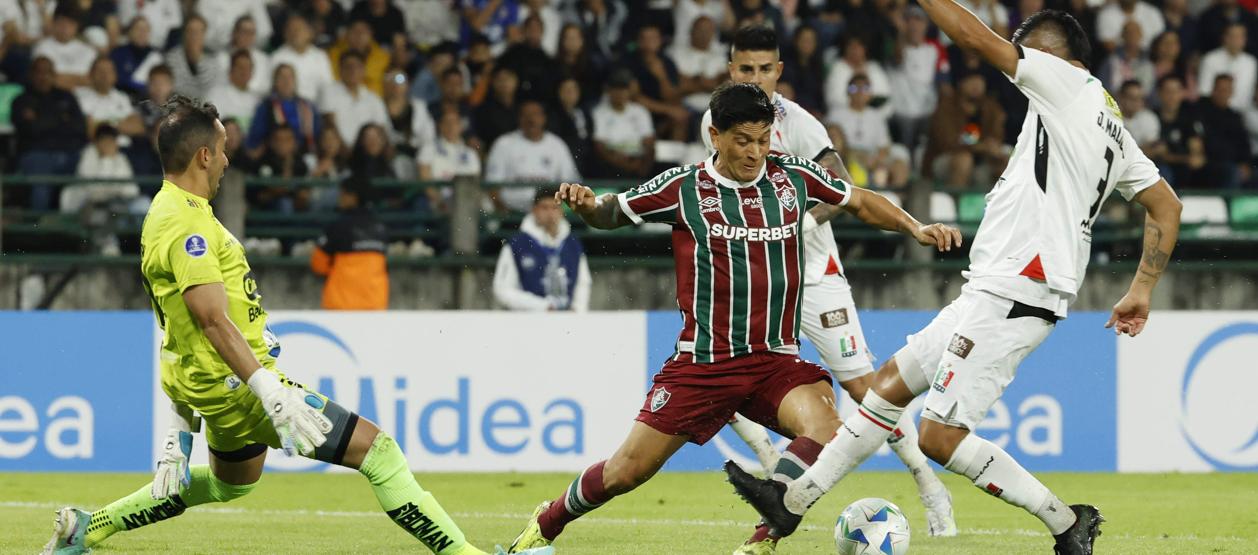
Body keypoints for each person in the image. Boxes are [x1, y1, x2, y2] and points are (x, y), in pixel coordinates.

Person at [724, 10, 1184, 555]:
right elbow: (1167, 205)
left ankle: (1065, 521)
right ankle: (791, 503)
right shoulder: (1111, 124)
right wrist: (1142, 289)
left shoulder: (1067, 83)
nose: (1019, 59)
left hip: (1019, 289)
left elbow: (970, 36)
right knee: (889, 386)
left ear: (1058, 54)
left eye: (1026, 49)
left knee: (939, 437)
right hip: (995, 287)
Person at [41, 95, 553, 555]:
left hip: (212, 383)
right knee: (379, 453)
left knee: (233, 483)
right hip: (238, 386)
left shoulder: (166, 210)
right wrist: (269, 390)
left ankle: (88, 527)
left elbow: (181, 322)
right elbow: (210, 318)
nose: (225, 159)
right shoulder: (188, 224)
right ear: (202, 156)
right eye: (221, 149)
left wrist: (183, 421)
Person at [506, 82, 960, 555]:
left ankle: (761, 540)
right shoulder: (682, 188)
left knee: (827, 426)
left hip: (774, 362)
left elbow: (860, 200)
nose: (755, 152)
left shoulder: (792, 178)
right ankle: (547, 521)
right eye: (743, 140)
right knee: (626, 472)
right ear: (716, 135)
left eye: (763, 140)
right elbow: (610, 213)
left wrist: (915, 226)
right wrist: (587, 206)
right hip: (703, 365)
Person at [697, 25, 956, 551]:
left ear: (779, 71)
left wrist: (795, 226)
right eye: (745, 69)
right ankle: (774, 466)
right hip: (756, 280)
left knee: (865, 390)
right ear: (731, 70)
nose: (756, 78)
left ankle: (929, 486)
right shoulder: (714, 121)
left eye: (764, 69)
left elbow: (842, 190)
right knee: (715, 373)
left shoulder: (799, 123)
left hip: (814, 278)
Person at [493, 187, 591, 312]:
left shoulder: (573, 245)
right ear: (534, 210)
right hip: (528, 321)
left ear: (561, 211)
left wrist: (578, 310)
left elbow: (583, 283)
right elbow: (503, 290)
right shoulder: (516, 245)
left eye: (554, 207)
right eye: (544, 207)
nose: (550, 213)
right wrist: (541, 306)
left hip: (567, 321)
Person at [12, 56, 88, 209]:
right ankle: (40, 228)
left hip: (70, 154)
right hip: (37, 155)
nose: (43, 76)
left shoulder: (66, 96)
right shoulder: (21, 100)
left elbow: (80, 127)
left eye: (48, 72)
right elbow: (30, 130)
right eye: (39, 72)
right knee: (41, 184)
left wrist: (41, 120)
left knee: (88, 176)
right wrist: (61, 119)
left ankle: (75, 229)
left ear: (54, 75)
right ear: (31, 75)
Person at [484, 100, 580, 212]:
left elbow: (571, 182)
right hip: (512, 213)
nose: (531, 120)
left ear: (544, 118)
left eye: (536, 114)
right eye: (526, 115)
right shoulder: (503, 143)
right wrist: (505, 215)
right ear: (519, 119)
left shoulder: (557, 144)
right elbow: (492, 186)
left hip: (549, 213)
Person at [311, 177, 389, 310]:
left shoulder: (338, 226)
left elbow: (318, 265)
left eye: (342, 194)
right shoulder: (380, 227)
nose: (339, 198)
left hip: (342, 306)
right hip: (375, 305)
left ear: (353, 197)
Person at [591, 68, 654, 179]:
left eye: (623, 89)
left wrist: (644, 166)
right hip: (611, 162)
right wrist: (623, 164)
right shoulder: (599, 112)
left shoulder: (640, 111)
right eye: (616, 89)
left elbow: (649, 142)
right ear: (608, 91)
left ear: (629, 91)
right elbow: (599, 147)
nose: (620, 93)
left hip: (638, 160)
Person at [320, 51, 389, 147]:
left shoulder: (374, 99)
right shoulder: (328, 92)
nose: (353, 70)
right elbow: (329, 123)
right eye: (348, 67)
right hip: (340, 150)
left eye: (358, 67)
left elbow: (381, 128)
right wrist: (344, 149)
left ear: (364, 70)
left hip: (366, 152)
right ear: (339, 70)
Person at [1195, 74, 1252, 189]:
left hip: (1233, 163)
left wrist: (1245, 163)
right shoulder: (1200, 110)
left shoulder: (1235, 116)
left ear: (1232, 92)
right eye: (1220, 89)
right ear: (1213, 90)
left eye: (1227, 90)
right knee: (1231, 172)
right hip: (1210, 163)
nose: (1223, 93)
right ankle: (1227, 206)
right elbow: (1208, 142)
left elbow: (1244, 143)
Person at [74, 56, 146, 142]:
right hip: (94, 149)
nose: (105, 75)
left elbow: (138, 128)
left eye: (109, 71)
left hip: (124, 150)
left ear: (115, 75)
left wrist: (103, 124)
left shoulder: (122, 97)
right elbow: (90, 131)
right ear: (91, 74)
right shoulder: (79, 97)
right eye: (100, 71)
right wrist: (120, 124)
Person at [270, 14, 335, 102]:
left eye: (298, 29)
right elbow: (273, 90)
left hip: (316, 107)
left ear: (309, 33)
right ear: (285, 34)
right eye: (291, 30)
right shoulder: (277, 57)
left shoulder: (320, 56)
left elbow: (328, 86)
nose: (295, 33)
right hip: (287, 107)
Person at [32, 6, 96, 89]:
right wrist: (78, 79)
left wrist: (61, 78)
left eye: (70, 24)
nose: (65, 28)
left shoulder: (89, 50)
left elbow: (92, 79)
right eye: (62, 23)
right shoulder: (41, 47)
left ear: (77, 26)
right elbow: (45, 79)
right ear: (53, 24)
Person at [1197, 22, 1256, 110]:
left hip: (1244, 113)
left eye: (1240, 36)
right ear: (1224, 38)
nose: (1236, 40)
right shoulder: (1210, 59)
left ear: (1245, 39)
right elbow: (1204, 91)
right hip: (1214, 111)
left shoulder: (1251, 63)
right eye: (1232, 36)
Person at [166, 14, 221, 98]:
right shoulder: (171, 57)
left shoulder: (213, 60)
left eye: (198, 32)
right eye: (190, 31)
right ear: (184, 34)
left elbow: (207, 90)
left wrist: (197, 60)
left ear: (204, 35)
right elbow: (175, 88)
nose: (194, 36)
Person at [213, 16, 271, 95]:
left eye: (252, 32)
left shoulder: (264, 59)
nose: (248, 36)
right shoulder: (221, 58)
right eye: (244, 31)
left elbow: (266, 87)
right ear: (235, 33)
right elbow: (219, 85)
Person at [208, 50, 263, 132]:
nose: (244, 72)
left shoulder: (258, 99)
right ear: (230, 70)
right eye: (240, 67)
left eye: (248, 68)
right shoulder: (216, 95)